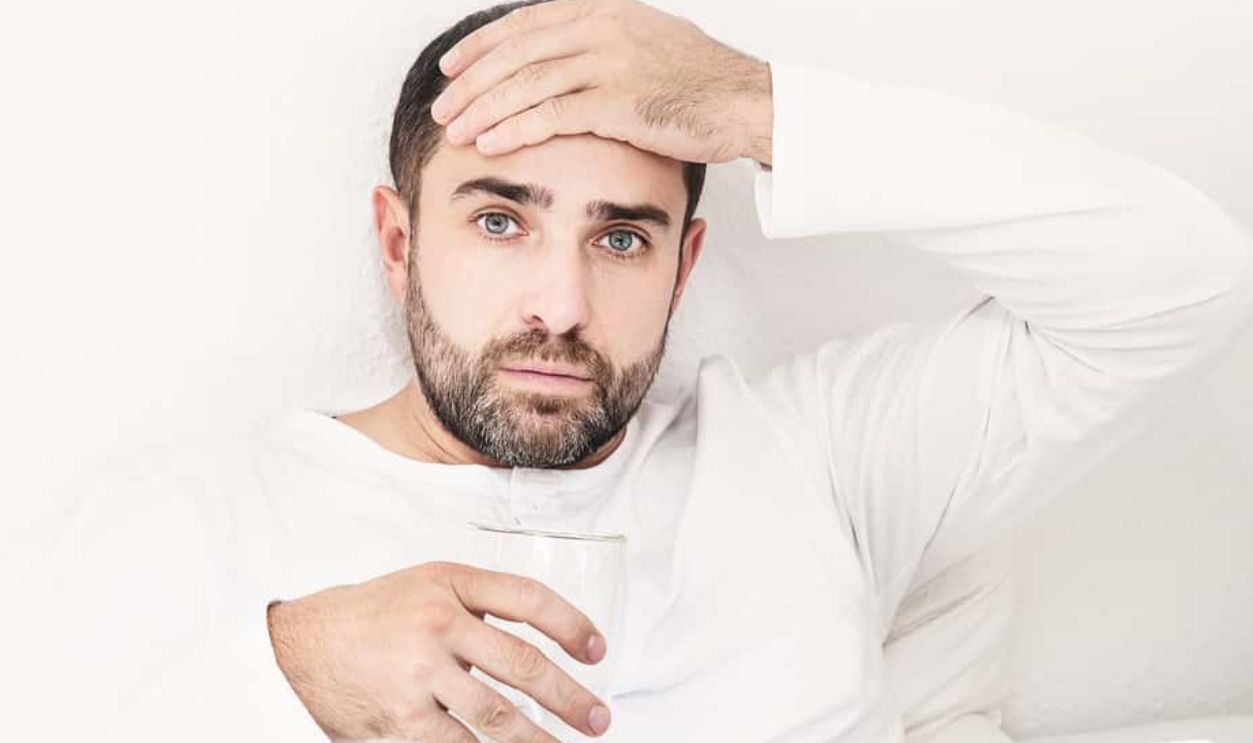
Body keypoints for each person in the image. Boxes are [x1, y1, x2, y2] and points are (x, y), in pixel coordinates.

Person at [6, 0, 1252, 741]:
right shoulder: (200, 518)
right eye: (500, 220)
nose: (560, 305)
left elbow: (1182, 279)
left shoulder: (818, 458)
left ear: (683, 262)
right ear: (397, 240)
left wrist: (754, 106)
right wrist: (286, 678)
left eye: (620, 237)